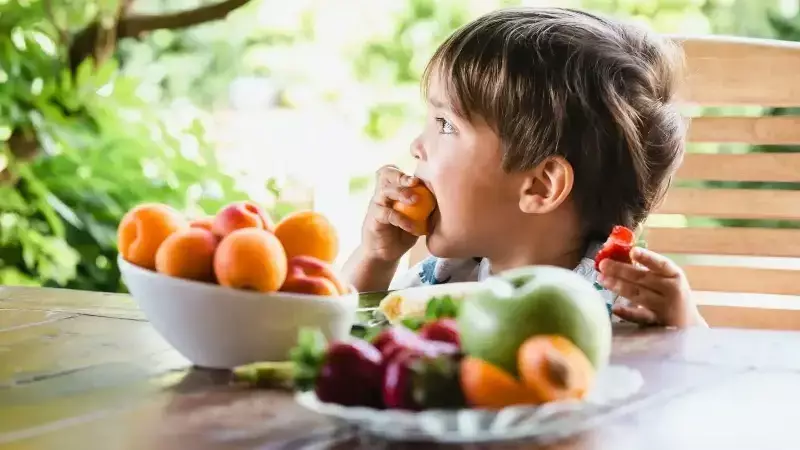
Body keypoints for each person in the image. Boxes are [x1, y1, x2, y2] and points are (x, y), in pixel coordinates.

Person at [343, 7, 706, 328]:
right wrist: (376, 259)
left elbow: (707, 387)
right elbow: (341, 337)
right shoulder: (444, 282)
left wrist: (684, 324)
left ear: (540, 186)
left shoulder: (618, 300)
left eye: (446, 125)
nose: (416, 146)